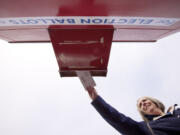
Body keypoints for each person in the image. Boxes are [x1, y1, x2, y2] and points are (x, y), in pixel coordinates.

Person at [86, 87, 180, 135]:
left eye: (144, 100)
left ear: (153, 101)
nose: (143, 104)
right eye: (140, 105)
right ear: (143, 113)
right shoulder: (144, 127)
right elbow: (119, 120)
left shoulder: (176, 111)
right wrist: (97, 100)